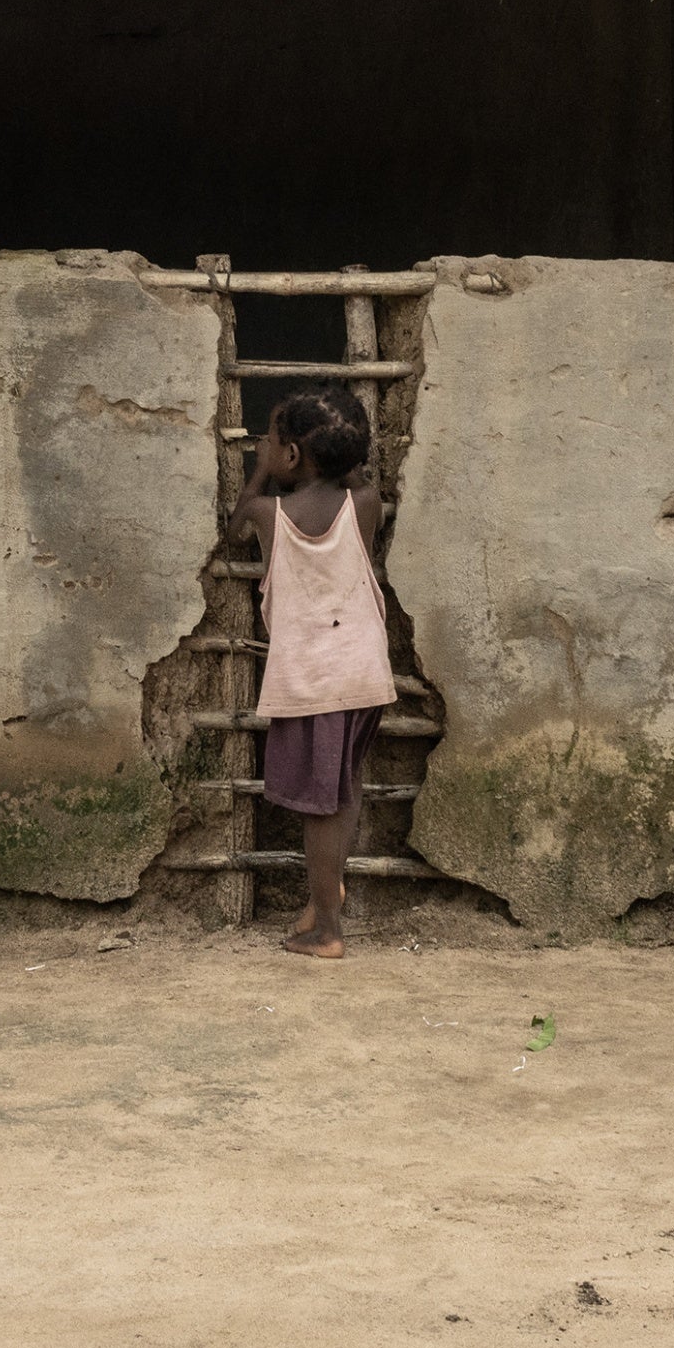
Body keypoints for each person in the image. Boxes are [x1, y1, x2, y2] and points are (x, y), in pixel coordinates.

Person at [236, 386, 398, 961]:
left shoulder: (265, 514)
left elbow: (234, 526)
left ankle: (328, 928)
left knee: (318, 808)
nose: (262, 444)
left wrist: (258, 473)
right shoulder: (368, 504)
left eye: (271, 440)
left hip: (314, 683)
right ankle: (323, 899)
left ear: (293, 457)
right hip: (364, 673)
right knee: (343, 791)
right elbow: (352, 482)